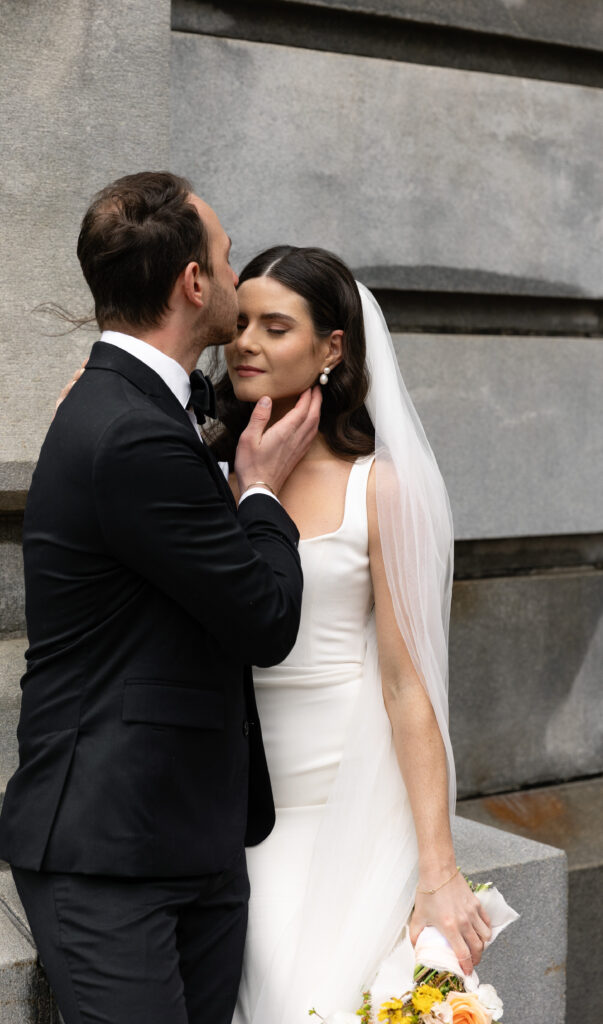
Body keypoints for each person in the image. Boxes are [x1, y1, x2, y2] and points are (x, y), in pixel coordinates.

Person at [0, 173, 322, 1024]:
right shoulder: (130, 429)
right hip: (109, 850)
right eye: (222, 256)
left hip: (189, 833)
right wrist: (260, 494)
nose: (231, 271)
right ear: (191, 283)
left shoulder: (140, 405)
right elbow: (263, 616)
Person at [205, 246, 493, 1023]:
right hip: (236, 814)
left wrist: (438, 869)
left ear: (332, 348)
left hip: (349, 805)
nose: (246, 344)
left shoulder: (381, 488)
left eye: (275, 326)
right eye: (240, 324)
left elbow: (408, 686)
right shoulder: (204, 473)